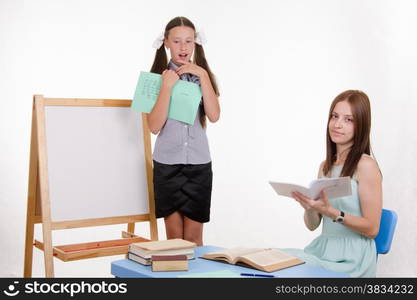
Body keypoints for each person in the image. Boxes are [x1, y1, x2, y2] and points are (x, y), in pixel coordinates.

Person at [281, 90, 382, 277]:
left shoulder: (366, 165)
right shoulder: (325, 167)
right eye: (334, 116)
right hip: (323, 250)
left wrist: (332, 212)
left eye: (348, 119)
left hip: (353, 258)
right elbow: (312, 226)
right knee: (276, 258)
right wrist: (309, 206)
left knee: (288, 268)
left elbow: (373, 228)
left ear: (361, 125)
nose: (337, 124)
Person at [146, 16, 220, 246]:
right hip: (167, 166)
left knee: (194, 240)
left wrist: (204, 75)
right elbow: (154, 126)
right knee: (174, 241)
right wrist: (166, 87)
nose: (183, 47)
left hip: (198, 165)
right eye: (177, 41)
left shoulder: (203, 77)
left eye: (188, 41)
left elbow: (214, 116)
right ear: (166, 42)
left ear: (195, 43)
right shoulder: (155, 79)